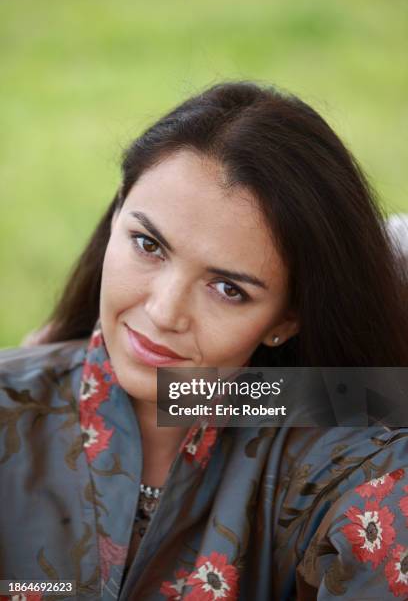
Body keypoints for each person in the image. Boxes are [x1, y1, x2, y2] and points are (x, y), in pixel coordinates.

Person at [1, 81, 408, 601]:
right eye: (147, 245)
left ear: (288, 318)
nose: (162, 312)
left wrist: (295, 395)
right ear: (117, 213)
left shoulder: (353, 470)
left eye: (227, 289)